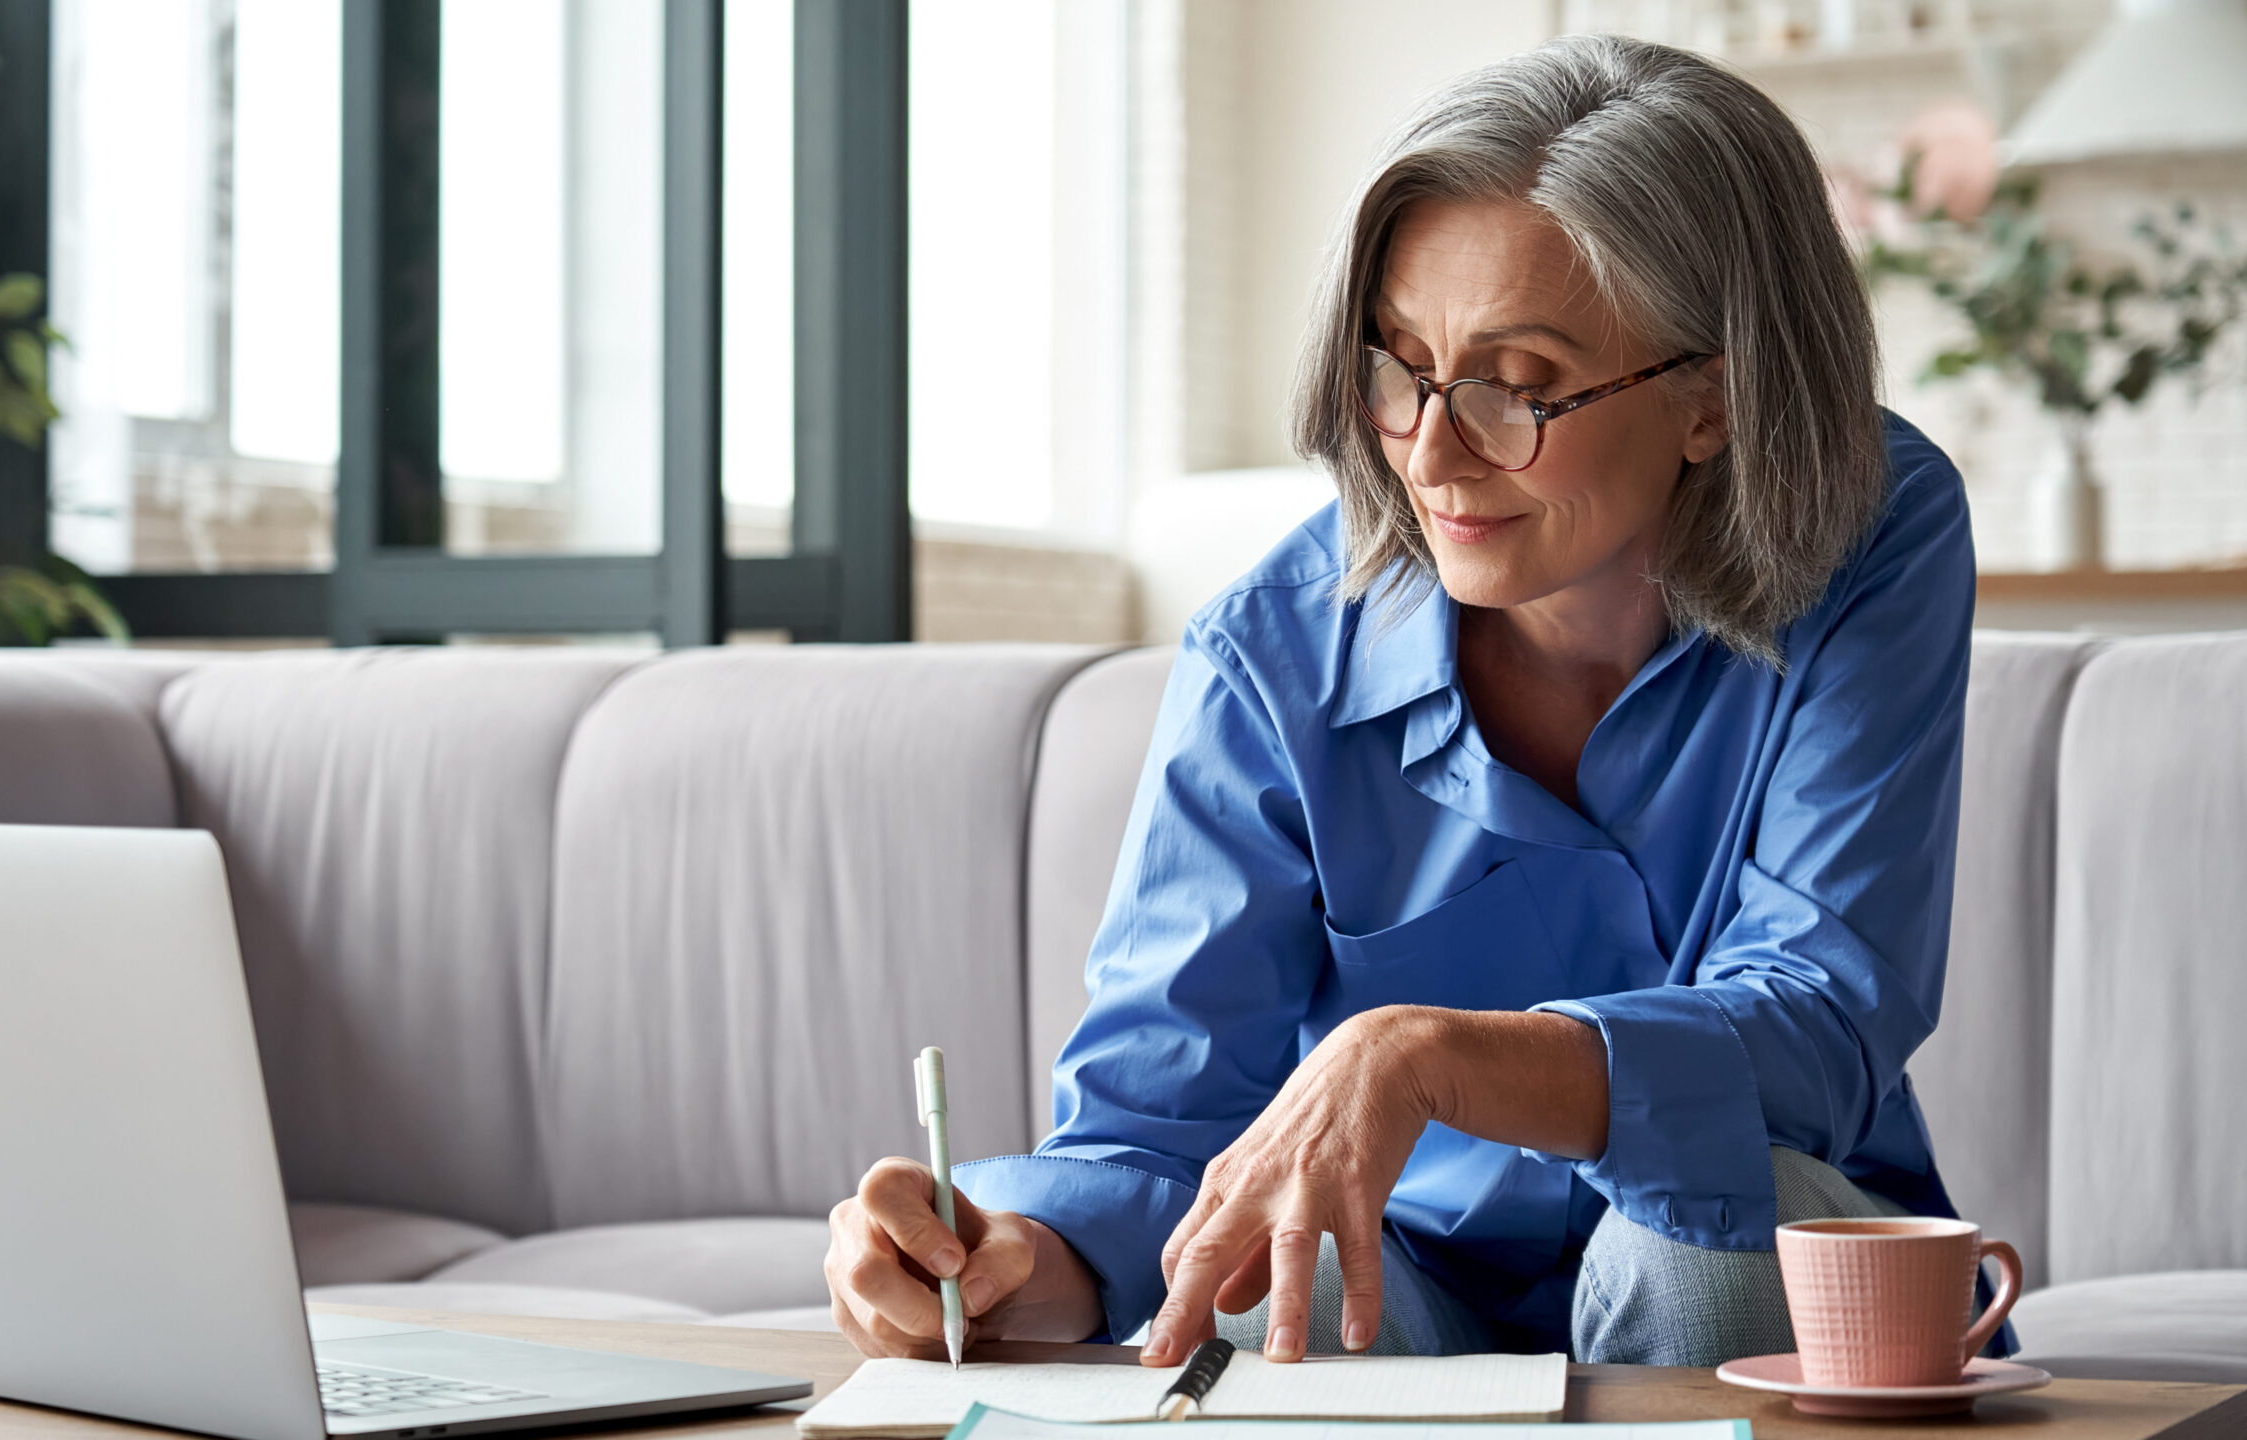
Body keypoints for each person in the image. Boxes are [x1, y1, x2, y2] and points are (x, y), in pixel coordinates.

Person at [825, 33, 1990, 1369]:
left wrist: (1429, 1055)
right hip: (1410, 1276)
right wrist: (1009, 1263)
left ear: (1712, 404)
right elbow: (1159, 1127)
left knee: (1704, 1228)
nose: (1430, 453)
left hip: (1744, 1256)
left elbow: (1822, 1015)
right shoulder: (1271, 653)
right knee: (1276, 1280)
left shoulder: (1872, 531)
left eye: (1518, 386)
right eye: (1398, 367)